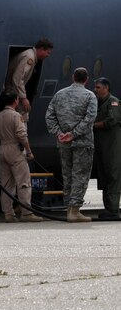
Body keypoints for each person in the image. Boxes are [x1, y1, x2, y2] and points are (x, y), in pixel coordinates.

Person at [45, 67, 98, 222]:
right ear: (86, 79)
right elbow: (90, 119)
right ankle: (74, 211)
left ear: (73, 77)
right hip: (83, 142)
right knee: (80, 175)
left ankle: (69, 208)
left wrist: (59, 133)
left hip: (63, 143)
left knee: (67, 175)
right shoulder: (90, 96)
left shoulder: (59, 95)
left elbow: (49, 116)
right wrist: (73, 134)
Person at [0, 91, 43, 223]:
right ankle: (26, 213)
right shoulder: (16, 116)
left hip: (2, 148)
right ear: (15, 101)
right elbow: (22, 135)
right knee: (23, 182)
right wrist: (29, 151)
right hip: (15, 149)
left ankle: (8, 214)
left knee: (7, 184)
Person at [4, 38, 54, 123]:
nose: (48, 55)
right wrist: (23, 98)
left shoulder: (30, 55)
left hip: (13, 90)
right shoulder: (29, 57)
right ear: (41, 49)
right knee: (23, 113)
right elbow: (18, 78)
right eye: (48, 52)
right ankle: (20, 135)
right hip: (12, 91)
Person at [92, 77, 121, 220]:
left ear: (106, 88)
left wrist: (94, 125)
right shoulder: (98, 102)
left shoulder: (113, 102)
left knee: (113, 176)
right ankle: (108, 209)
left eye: (98, 87)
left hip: (112, 147)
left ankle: (114, 211)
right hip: (101, 147)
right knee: (104, 177)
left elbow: (112, 120)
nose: (95, 90)